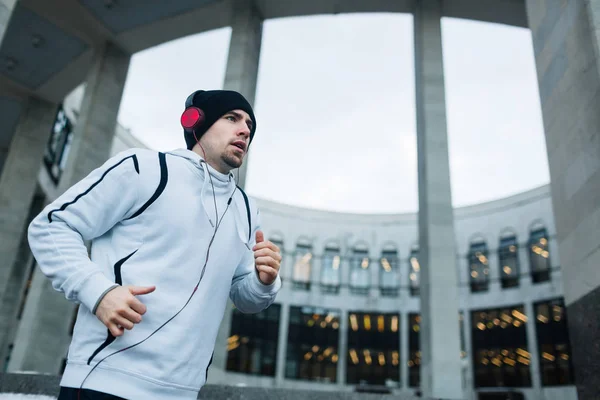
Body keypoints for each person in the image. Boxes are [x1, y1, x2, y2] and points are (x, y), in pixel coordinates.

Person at [27, 89, 282, 400]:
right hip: (104, 382)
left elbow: (246, 298)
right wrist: (99, 292)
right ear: (195, 122)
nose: (245, 130)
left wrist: (263, 281)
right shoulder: (143, 168)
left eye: (249, 126)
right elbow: (52, 225)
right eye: (232, 118)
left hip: (182, 393)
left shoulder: (244, 208)